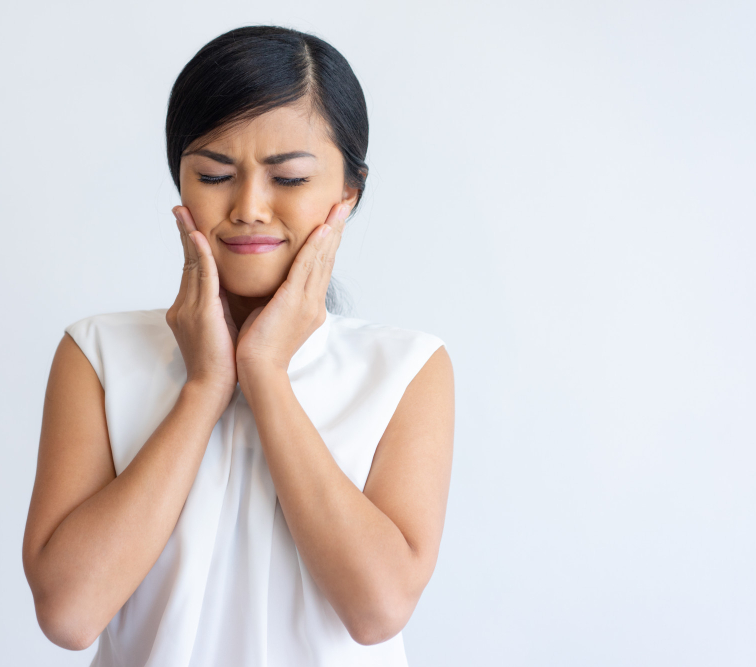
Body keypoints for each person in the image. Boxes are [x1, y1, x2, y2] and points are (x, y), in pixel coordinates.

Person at [22, 25, 454, 667]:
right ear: (181, 184)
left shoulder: (406, 369)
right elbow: (69, 614)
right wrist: (202, 389)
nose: (249, 207)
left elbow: (377, 611)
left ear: (347, 195)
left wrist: (265, 372)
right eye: (215, 173)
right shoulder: (98, 354)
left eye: (289, 179)